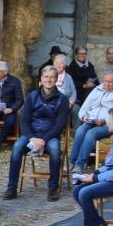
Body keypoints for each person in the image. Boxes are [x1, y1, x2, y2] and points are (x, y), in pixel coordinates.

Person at [7, 64, 71, 201]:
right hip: (32, 133)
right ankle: (11, 187)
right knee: (17, 147)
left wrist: (44, 140)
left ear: (57, 79)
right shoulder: (32, 96)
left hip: (50, 135)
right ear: (41, 78)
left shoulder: (62, 99)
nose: (49, 80)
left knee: (54, 150)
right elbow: (24, 120)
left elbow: (59, 125)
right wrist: (31, 138)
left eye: (52, 77)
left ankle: (53, 187)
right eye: (46, 76)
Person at [69, 70, 113, 169]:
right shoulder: (98, 89)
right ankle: (72, 161)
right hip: (91, 120)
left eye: (110, 82)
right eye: (105, 81)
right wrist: (84, 117)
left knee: (90, 134)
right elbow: (85, 107)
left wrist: (105, 120)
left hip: (108, 125)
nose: (106, 84)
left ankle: (80, 165)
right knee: (80, 131)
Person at [0, 60, 25, 140]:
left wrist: (12, 109)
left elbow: (20, 99)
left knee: (10, 121)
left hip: (8, 110)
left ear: (5, 72)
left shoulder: (15, 81)